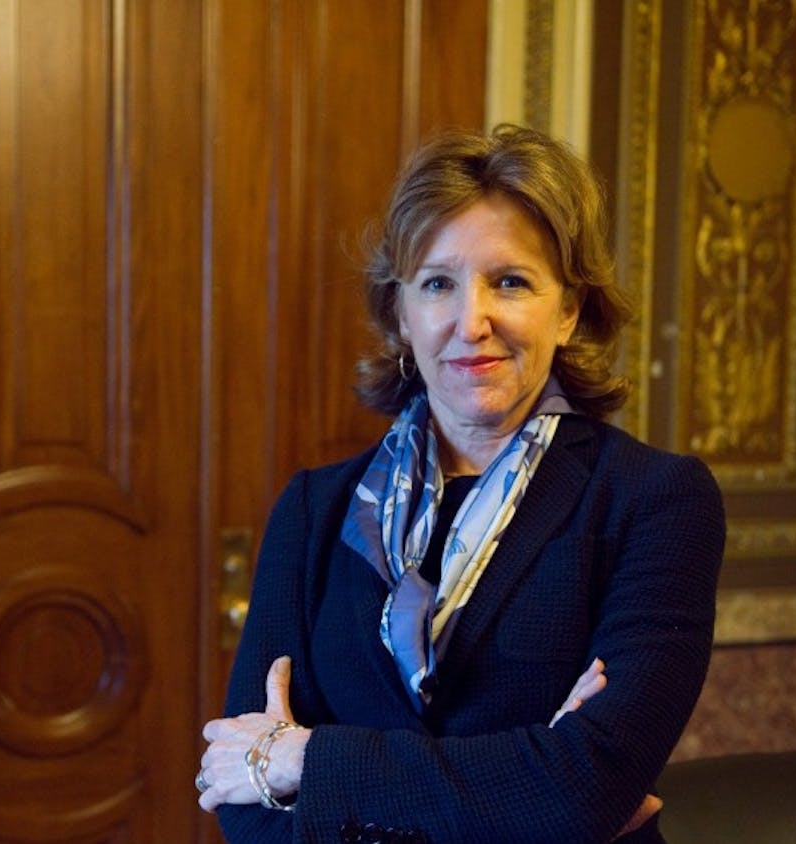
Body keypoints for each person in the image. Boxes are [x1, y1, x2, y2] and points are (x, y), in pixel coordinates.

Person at [195, 125, 725, 844]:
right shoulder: (315, 510)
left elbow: (588, 785)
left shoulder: (654, 502)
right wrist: (521, 787)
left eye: (510, 282)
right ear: (402, 315)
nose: (471, 322)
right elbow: (244, 804)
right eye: (438, 283)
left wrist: (305, 759)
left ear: (568, 310)